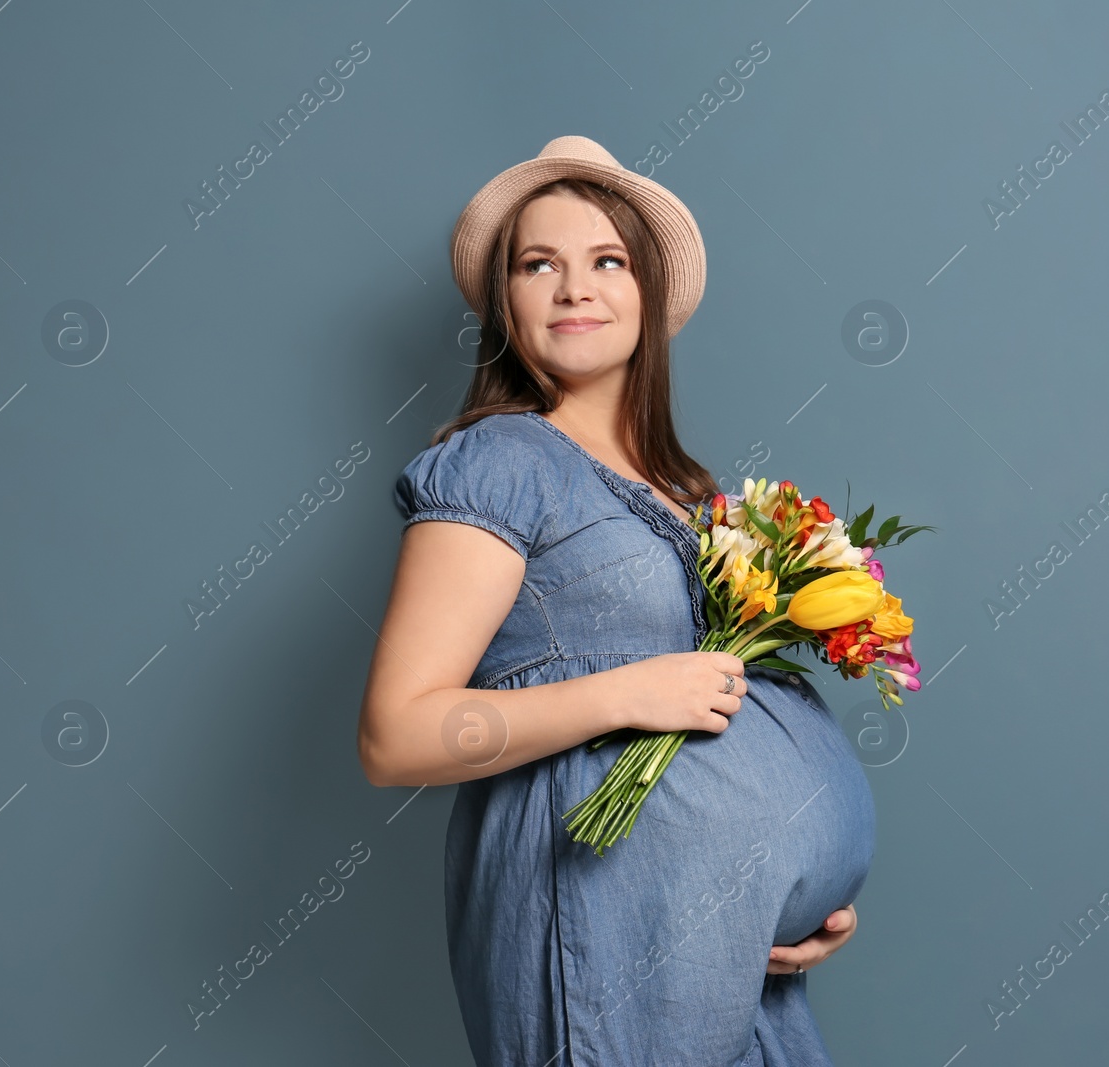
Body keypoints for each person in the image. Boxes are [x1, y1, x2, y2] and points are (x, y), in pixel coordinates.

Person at [356, 135, 876, 1066]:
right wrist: (626, 694)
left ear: (650, 294)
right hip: (598, 934)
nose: (574, 288)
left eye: (608, 260)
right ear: (503, 304)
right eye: (537, 264)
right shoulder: (502, 462)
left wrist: (797, 891)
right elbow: (395, 736)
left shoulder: (689, 494)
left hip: (734, 960)